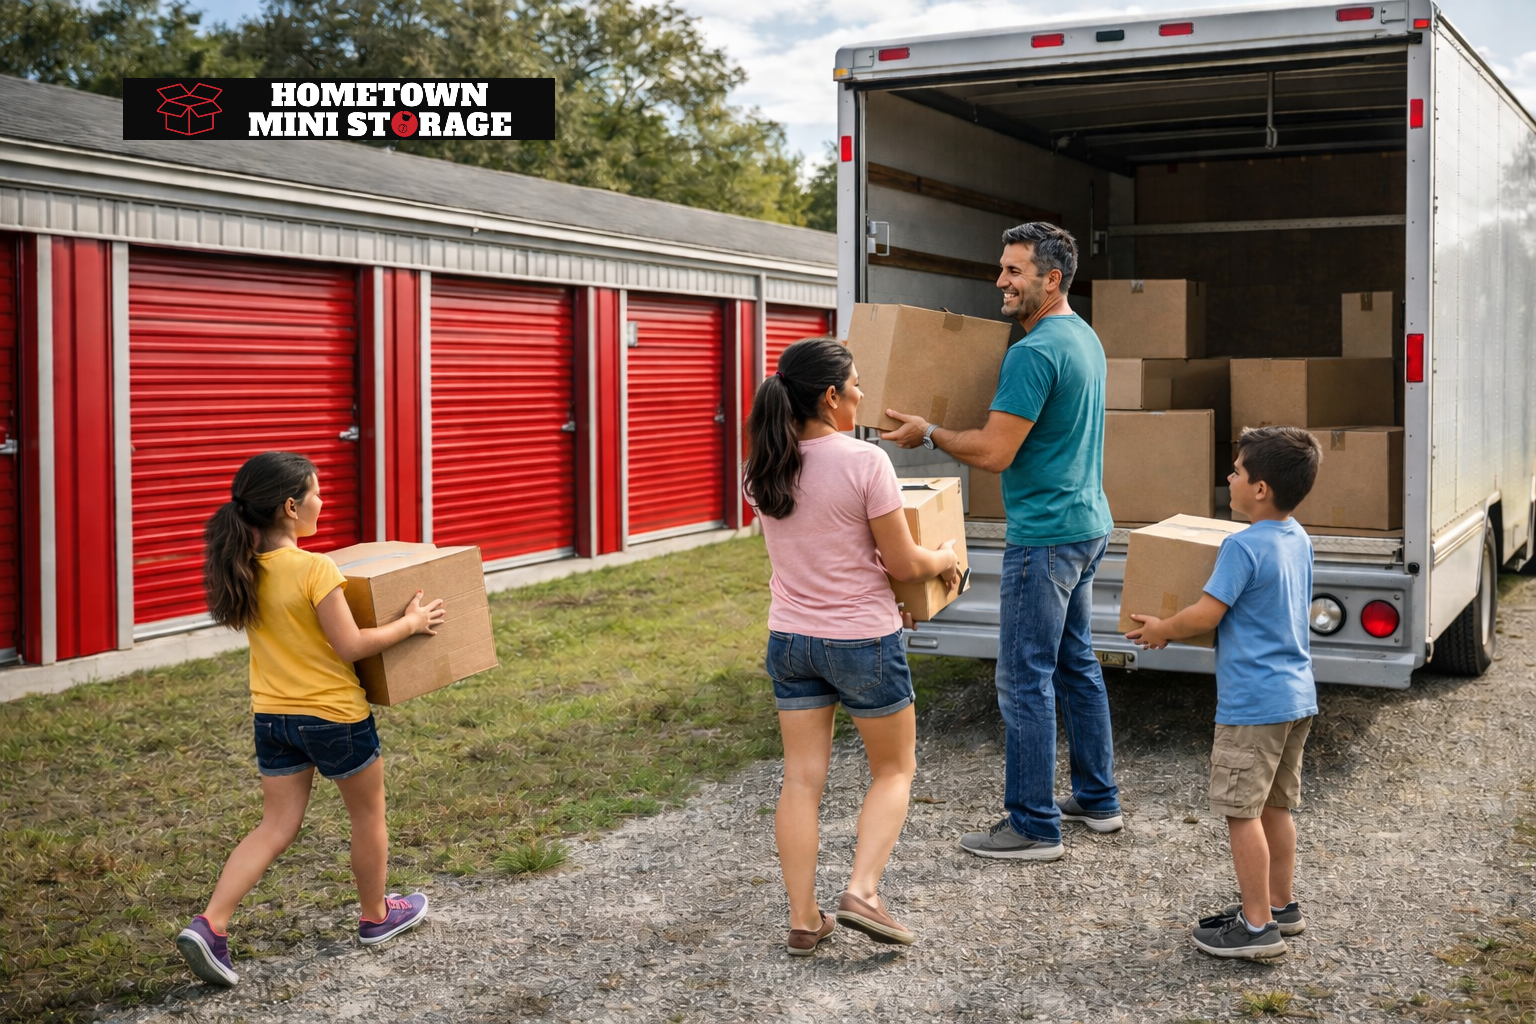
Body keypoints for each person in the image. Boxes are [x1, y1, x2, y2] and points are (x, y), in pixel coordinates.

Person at [882, 223, 1121, 862]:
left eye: (1014, 271)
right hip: (1087, 523)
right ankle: (1098, 799)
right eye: (1001, 268)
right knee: (1076, 665)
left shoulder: (1034, 351)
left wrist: (931, 431)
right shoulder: (1084, 337)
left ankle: (1032, 825)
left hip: (1045, 537)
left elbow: (993, 451)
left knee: (1023, 679)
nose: (1000, 281)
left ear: (1051, 278)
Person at [175, 451, 446, 987]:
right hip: (334, 717)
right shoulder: (315, 567)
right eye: (318, 493)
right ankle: (376, 916)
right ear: (291, 506)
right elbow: (351, 645)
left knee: (274, 827)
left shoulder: (244, 567)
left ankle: (211, 925)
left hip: (273, 718)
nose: (325, 502)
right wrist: (411, 623)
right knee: (368, 816)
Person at [745, 338, 961, 956]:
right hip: (861, 640)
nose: (864, 396)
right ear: (831, 395)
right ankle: (862, 892)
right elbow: (904, 561)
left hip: (790, 639)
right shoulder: (865, 463)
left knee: (801, 781)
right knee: (893, 769)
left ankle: (803, 918)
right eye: (857, 385)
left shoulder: (761, 466)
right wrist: (946, 556)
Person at [1125, 426, 1323, 959]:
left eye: (1235, 470)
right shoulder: (1297, 536)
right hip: (1296, 695)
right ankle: (1281, 906)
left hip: (1253, 704)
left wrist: (1163, 627)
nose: (1228, 477)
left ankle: (1256, 928)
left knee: (1242, 812)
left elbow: (1207, 613)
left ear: (1259, 488)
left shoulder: (1241, 547)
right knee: (1277, 806)